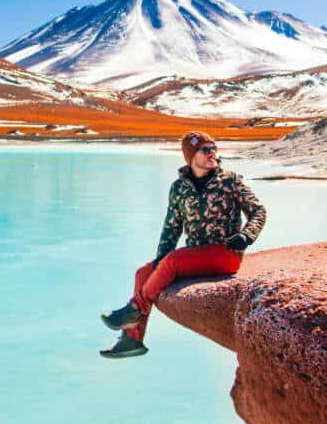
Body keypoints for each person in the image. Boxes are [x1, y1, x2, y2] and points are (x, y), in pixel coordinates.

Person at [100, 131, 267, 359]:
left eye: (214, 149)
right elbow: (172, 227)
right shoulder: (179, 188)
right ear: (191, 156)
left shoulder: (231, 181)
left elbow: (258, 211)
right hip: (195, 255)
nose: (212, 154)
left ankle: (135, 308)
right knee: (143, 273)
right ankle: (132, 340)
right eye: (206, 150)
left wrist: (247, 235)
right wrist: (159, 260)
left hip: (225, 253)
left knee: (174, 262)